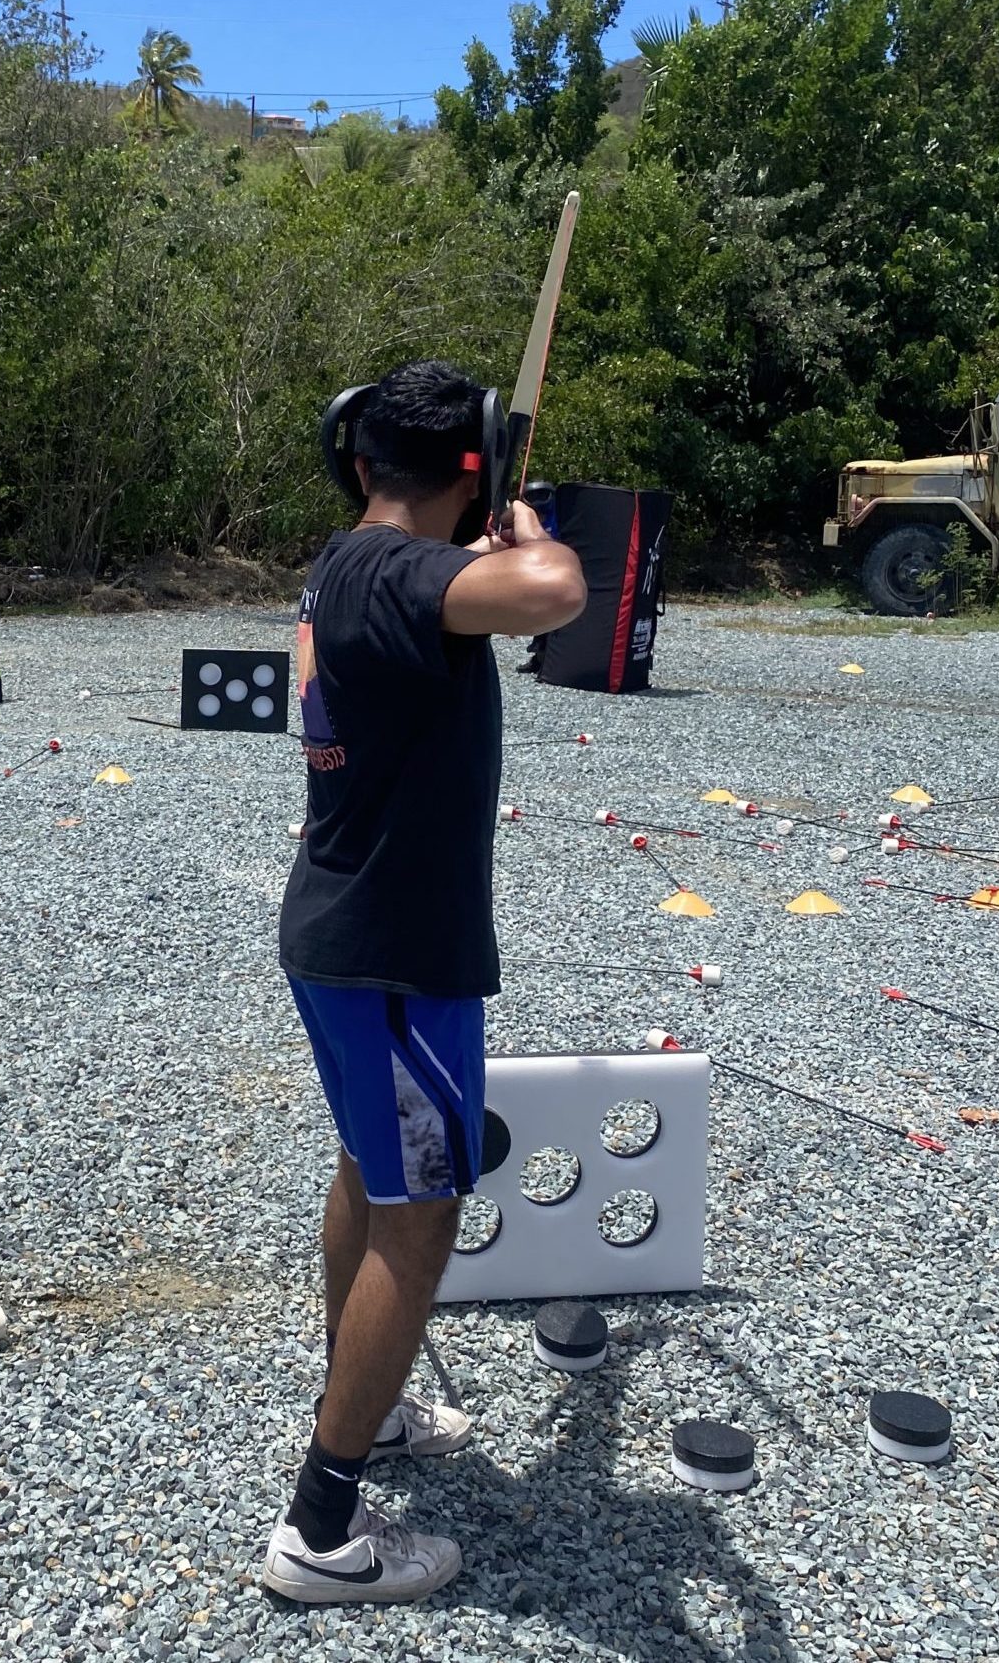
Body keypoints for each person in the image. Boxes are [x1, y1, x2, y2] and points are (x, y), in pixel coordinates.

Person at [261, 360, 588, 1606]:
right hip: (396, 956)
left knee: (371, 1168)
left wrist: (484, 509)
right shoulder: (400, 572)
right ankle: (322, 1527)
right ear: (476, 471)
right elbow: (553, 590)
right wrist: (526, 526)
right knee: (423, 1209)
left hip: (348, 936)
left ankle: (372, 1409)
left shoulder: (348, 563)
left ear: (359, 461)